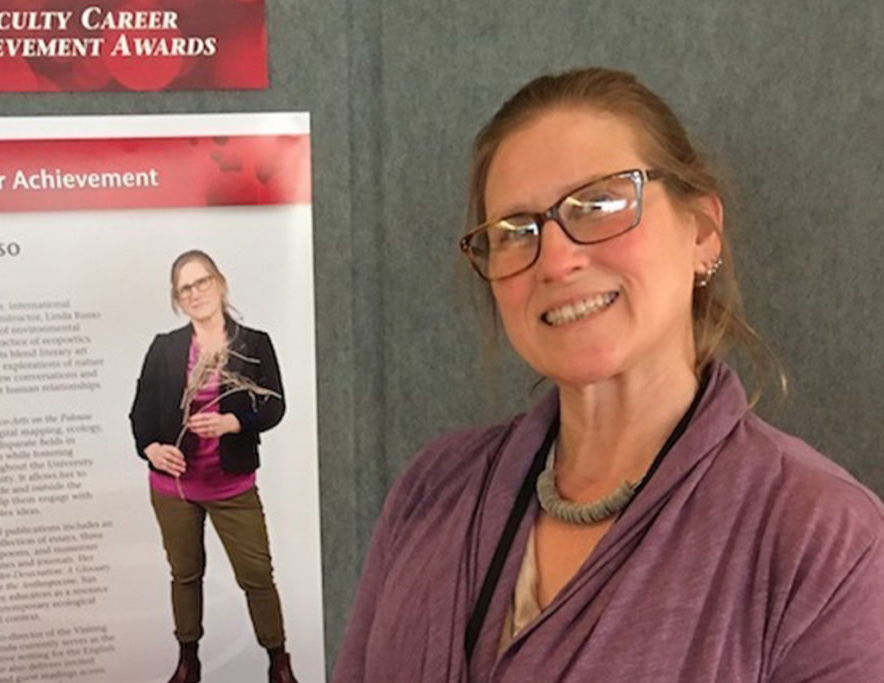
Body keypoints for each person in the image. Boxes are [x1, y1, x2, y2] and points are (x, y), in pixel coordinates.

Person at [333, 68, 884, 682]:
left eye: (599, 204)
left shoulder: (821, 539)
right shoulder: (431, 493)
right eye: (517, 232)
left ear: (702, 231)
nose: (558, 260)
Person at [130, 249, 298, 683]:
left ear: (219, 283)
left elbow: (275, 405)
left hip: (232, 486)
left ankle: (279, 663)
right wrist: (150, 447)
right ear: (177, 299)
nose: (195, 293)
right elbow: (140, 413)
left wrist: (234, 421)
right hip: (175, 489)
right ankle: (189, 661)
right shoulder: (165, 348)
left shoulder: (253, 343)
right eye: (185, 288)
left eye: (202, 282)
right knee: (185, 575)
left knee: (257, 576)